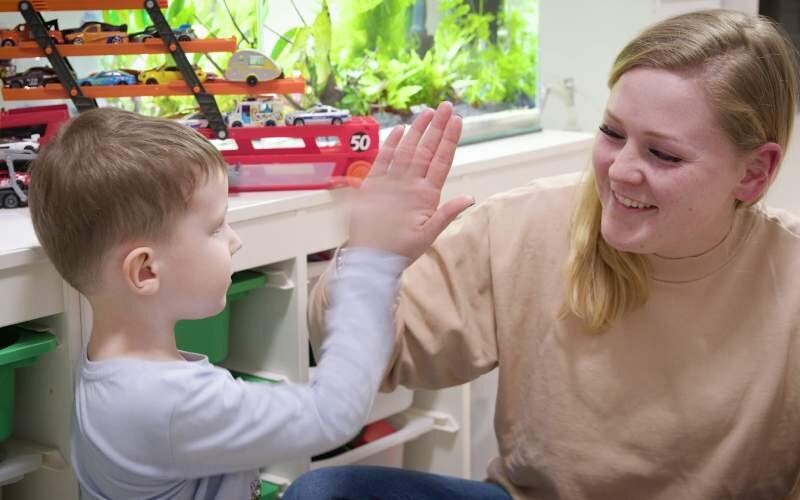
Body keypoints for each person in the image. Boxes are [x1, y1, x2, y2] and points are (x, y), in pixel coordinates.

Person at [298, 9, 800, 500]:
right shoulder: (525, 225)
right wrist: (370, 261)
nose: (620, 171)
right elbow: (373, 360)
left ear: (754, 173)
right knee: (325, 491)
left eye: (663, 154)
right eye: (612, 133)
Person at [27, 103, 472, 499]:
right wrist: (373, 261)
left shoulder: (113, 372)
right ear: (145, 271)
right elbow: (331, 414)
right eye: (216, 226)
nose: (235, 240)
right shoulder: (167, 403)